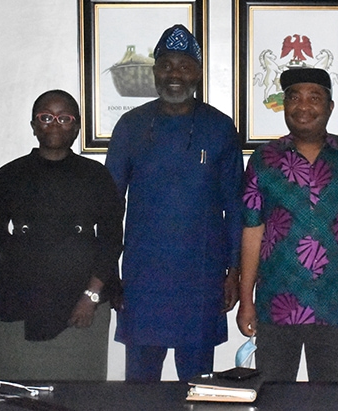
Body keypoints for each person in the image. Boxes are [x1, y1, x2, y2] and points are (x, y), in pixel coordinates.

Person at [105, 24, 243, 382]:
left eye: (184, 66)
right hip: (142, 279)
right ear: (154, 72)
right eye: (166, 65)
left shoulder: (220, 128)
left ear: (197, 72)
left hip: (202, 278)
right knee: (140, 387)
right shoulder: (130, 126)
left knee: (199, 386)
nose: (175, 75)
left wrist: (233, 271)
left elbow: (236, 207)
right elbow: (109, 207)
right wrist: (110, 271)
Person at [236, 68, 338, 382]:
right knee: (272, 397)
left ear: (330, 107)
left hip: (337, 305)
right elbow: (252, 232)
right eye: (294, 98)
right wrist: (246, 301)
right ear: (284, 105)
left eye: (314, 98)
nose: (303, 106)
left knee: (333, 402)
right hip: (276, 303)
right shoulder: (264, 159)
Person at [0, 90, 124, 381]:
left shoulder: (96, 176)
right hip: (17, 298)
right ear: (34, 125)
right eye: (45, 117)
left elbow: (111, 239)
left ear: (77, 126)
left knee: (79, 393)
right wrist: (28, 260)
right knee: (13, 390)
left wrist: (91, 295)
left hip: (83, 300)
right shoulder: (10, 174)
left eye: (64, 118)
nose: (54, 124)